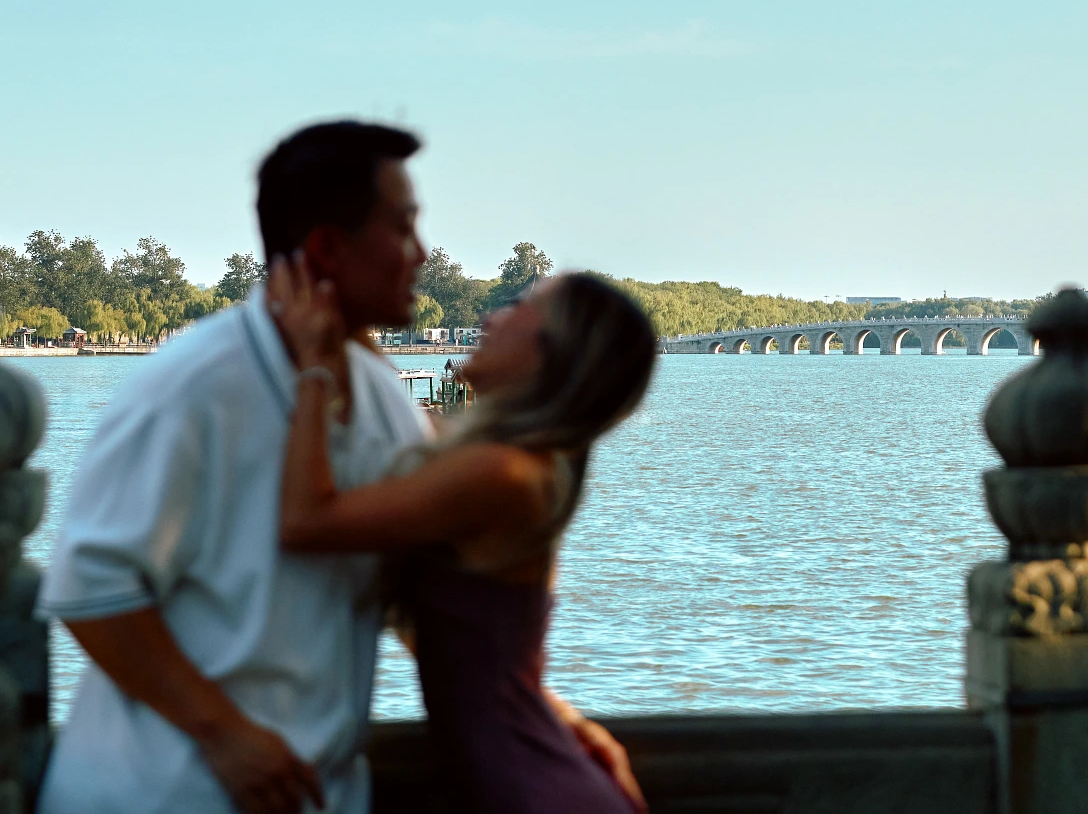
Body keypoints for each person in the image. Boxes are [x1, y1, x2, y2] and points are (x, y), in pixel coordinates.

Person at [39, 121, 456, 814]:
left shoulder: (384, 397)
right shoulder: (192, 386)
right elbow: (89, 587)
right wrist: (224, 733)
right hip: (162, 793)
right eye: (403, 228)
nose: (421, 254)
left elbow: (412, 596)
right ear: (326, 246)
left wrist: (533, 709)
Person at [269, 259, 655, 813]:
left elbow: (304, 522)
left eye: (520, 306)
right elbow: (492, 657)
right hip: (534, 778)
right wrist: (565, 720)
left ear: (549, 352)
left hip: (536, 794)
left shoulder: (503, 474)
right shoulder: (508, 466)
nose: (493, 316)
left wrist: (312, 370)